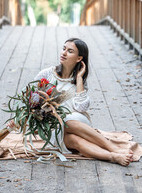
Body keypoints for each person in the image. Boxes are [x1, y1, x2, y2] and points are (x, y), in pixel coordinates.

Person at [8, 38, 134, 166]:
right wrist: (18, 118)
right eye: (63, 49)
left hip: (77, 122)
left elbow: (81, 108)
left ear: (79, 58)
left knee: (67, 120)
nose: (63, 53)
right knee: (73, 140)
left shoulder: (79, 80)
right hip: (54, 126)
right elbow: (30, 97)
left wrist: (79, 78)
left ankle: (114, 148)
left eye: (70, 51)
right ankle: (113, 156)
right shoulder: (46, 74)